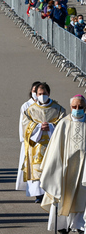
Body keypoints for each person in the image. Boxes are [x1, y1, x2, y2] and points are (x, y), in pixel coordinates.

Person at [40, 95, 86, 233]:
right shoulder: (63, 123)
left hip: (84, 168)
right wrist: (54, 169)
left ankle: (80, 225)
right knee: (63, 195)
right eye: (74, 107)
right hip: (65, 168)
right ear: (70, 107)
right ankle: (62, 225)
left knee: (82, 196)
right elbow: (54, 149)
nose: (77, 109)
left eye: (80, 107)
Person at [22, 82, 65, 203]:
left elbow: (64, 123)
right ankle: (38, 195)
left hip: (53, 145)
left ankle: (50, 192)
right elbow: (25, 125)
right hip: (37, 145)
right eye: (40, 94)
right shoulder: (30, 110)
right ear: (36, 94)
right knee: (38, 168)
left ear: (49, 93)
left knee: (51, 168)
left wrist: (51, 127)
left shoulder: (58, 109)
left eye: (44, 93)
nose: (42, 96)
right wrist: (38, 127)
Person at [16, 81, 41, 192]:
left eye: (38, 91)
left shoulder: (46, 105)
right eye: (34, 91)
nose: (36, 93)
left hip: (43, 140)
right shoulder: (26, 105)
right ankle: (30, 188)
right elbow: (24, 124)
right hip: (30, 140)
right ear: (31, 92)